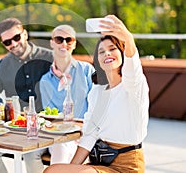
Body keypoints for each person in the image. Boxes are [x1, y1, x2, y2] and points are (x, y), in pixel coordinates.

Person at [44, 15, 149, 173]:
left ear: (122, 52)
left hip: (127, 165)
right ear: (97, 59)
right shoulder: (97, 91)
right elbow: (89, 135)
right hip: (99, 162)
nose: (107, 54)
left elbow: (133, 68)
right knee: (52, 170)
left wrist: (127, 38)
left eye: (112, 49)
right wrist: (71, 168)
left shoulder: (133, 86)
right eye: (101, 52)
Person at [0, 17, 53, 173]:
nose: (13, 44)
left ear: (24, 34)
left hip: (47, 126)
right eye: (7, 42)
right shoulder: (1, 66)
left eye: (16, 37)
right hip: (17, 127)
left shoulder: (50, 58)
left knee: (31, 154)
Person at [39, 24, 94, 164]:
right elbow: (50, 116)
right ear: (52, 42)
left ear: (74, 44)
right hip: (59, 135)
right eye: (59, 39)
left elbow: (96, 105)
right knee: (61, 147)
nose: (64, 43)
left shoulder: (87, 70)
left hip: (85, 134)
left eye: (68, 40)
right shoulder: (45, 80)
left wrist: (83, 130)